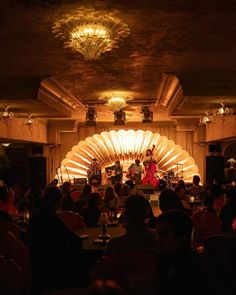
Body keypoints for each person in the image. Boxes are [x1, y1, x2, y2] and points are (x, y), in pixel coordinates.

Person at [28, 187, 83, 289]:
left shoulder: (34, 216)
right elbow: (73, 239)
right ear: (59, 201)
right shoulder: (52, 218)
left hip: (36, 262)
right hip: (52, 264)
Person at [155, 210, 212, 295]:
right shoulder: (165, 260)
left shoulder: (193, 270)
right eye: (157, 234)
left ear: (182, 237)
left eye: (164, 234)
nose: (157, 239)